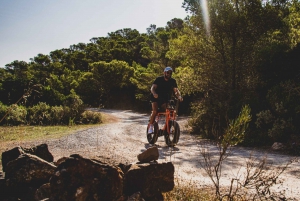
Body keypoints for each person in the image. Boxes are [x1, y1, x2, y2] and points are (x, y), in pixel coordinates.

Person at [148, 67, 183, 134]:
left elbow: (176, 90)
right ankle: (151, 126)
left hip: (164, 99)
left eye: (170, 73)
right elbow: (152, 88)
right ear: (164, 73)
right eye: (167, 72)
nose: (169, 74)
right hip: (156, 97)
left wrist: (179, 96)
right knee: (155, 111)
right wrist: (154, 93)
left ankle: (168, 126)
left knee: (168, 111)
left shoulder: (173, 81)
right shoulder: (159, 79)